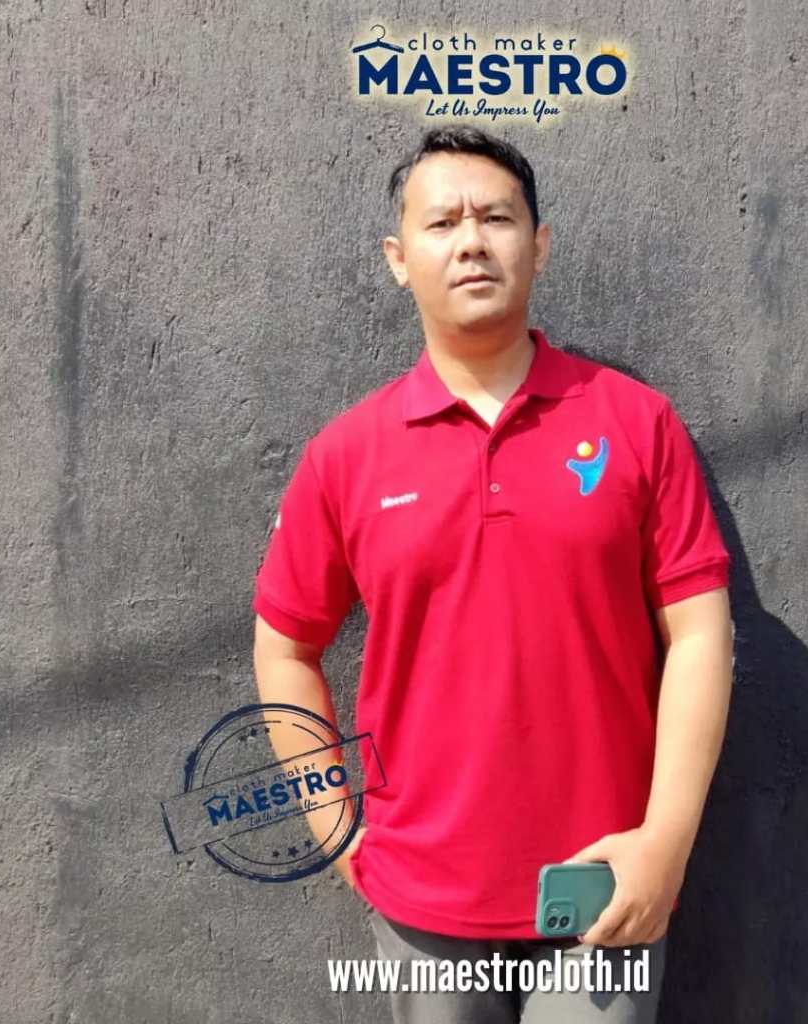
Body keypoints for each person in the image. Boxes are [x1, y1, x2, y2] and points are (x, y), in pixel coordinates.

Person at [252, 125, 734, 1022]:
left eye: (497, 218)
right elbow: (284, 648)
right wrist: (338, 831)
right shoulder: (346, 456)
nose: (471, 241)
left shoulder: (635, 423)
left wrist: (664, 845)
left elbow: (702, 635)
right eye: (442, 223)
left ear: (538, 246)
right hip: (421, 891)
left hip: (603, 884)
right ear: (399, 259)